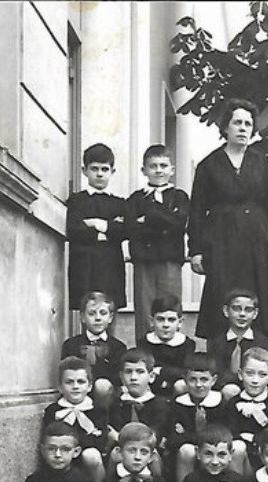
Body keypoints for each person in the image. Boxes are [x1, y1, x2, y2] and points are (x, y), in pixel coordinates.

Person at [188, 98, 268, 339]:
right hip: (221, 240)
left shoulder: (262, 164)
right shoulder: (208, 165)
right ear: (225, 128)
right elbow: (197, 210)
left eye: (248, 124)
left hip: (255, 240)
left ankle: (259, 356)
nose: (243, 128)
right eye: (237, 123)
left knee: (256, 293)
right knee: (220, 293)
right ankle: (219, 358)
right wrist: (196, 250)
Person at [125, 145, 190, 340]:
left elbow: (180, 224)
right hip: (144, 261)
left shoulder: (180, 197)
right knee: (145, 310)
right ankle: (145, 358)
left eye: (163, 165)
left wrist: (149, 217)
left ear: (172, 169)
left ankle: (174, 351)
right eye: (153, 166)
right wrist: (165, 220)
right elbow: (130, 228)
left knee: (170, 307)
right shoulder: (135, 199)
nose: (159, 170)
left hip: (170, 261)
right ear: (144, 170)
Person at [66, 143, 127, 310]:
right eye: (94, 169)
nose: (100, 174)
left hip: (111, 266)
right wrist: (109, 230)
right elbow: (74, 230)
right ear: (84, 170)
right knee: (88, 310)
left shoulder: (120, 204)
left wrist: (96, 224)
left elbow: (125, 231)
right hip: (85, 267)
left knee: (109, 310)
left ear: (112, 172)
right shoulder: (77, 201)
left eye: (105, 169)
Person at [42, 356, 108, 482]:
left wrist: (77, 445)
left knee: (92, 455)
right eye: (69, 382)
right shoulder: (54, 411)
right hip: (61, 457)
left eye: (81, 382)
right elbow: (50, 436)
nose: (75, 386)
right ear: (60, 387)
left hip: (86, 462)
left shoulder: (98, 411)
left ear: (90, 386)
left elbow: (100, 442)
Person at [167, 352, 227, 482]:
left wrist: (189, 435)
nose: (198, 385)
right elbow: (173, 439)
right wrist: (202, 436)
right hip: (190, 455)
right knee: (186, 450)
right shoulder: (178, 405)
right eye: (193, 379)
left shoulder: (220, 403)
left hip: (216, 453)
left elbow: (224, 435)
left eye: (204, 379)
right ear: (185, 380)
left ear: (214, 380)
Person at [108, 348, 172, 471]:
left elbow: (155, 435)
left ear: (151, 376)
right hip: (124, 453)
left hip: (149, 452)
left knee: (154, 457)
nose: (133, 377)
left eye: (140, 372)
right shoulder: (116, 404)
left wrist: (119, 437)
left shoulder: (160, 405)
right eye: (128, 372)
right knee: (115, 455)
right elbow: (112, 430)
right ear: (121, 377)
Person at [61, 291, 127, 409]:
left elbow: (118, 379)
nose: (97, 318)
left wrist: (102, 361)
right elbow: (65, 373)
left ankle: (105, 423)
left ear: (110, 317)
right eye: (92, 313)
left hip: (106, 399)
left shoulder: (118, 347)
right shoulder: (71, 345)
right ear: (83, 317)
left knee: (102, 385)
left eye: (103, 313)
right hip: (77, 393)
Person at [224, 347, 268, 476]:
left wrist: (254, 437)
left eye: (262, 375)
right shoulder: (233, 404)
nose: (255, 380)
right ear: (240, 374)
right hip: (240, 459)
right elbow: (229, 432)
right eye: (249, 373)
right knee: (237, 448)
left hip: (265, 460)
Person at [207, 288, 268, 401]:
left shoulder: (263, 342)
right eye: (236, 309)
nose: (242, 314)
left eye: (248, 310)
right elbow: (217, 373)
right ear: (226, 311)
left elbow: (267, 371)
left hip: (255, 386)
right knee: (231, 390)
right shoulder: (216, 342)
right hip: (226, 389)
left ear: (255, 313)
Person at [135, 294, 195, 397]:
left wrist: (161, 370)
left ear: (180, 323)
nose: (166, 325)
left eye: (171, 320)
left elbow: (185, 372)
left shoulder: (187, 344)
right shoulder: (144, 342)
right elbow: (145, 368)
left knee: (182, 385)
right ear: (151, 321)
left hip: (176, 388)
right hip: (152, 387)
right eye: (160, 319)